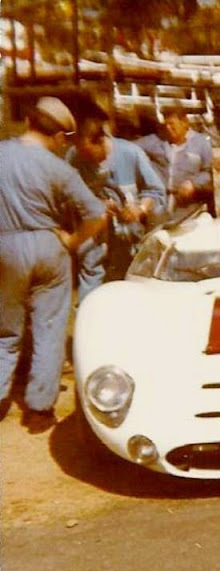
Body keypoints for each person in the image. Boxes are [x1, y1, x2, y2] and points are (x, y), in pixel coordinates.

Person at [0, 97, 106, 431]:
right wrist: (74, 240)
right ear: (59, 136)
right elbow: (97, 214)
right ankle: (39, 410)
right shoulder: (60, 168)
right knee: (49, 327)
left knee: (5, 330)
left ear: (28, 122)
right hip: (49, 244)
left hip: (5, 245)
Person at [67, 111, 166, 301]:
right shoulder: (74, 157)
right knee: (91, 289)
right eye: (81, 153)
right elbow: (68, 196)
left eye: (88, 153)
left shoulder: (132, 153)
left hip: (128, 240)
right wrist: (96, 205)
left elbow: (156, 191)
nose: (85, 158)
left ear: (101, 141)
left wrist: (140, 208)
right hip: (94, 239)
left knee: (128, 291)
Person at [135, 105, 214, 223]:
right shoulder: (156, 140)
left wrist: (194, 184)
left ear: (185, 123)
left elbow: (210, 172)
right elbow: (129, 148)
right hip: (160, 206)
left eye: (172, 124)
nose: (168, 128)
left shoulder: (201, 143)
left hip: (188, 208)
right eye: (166, 124)